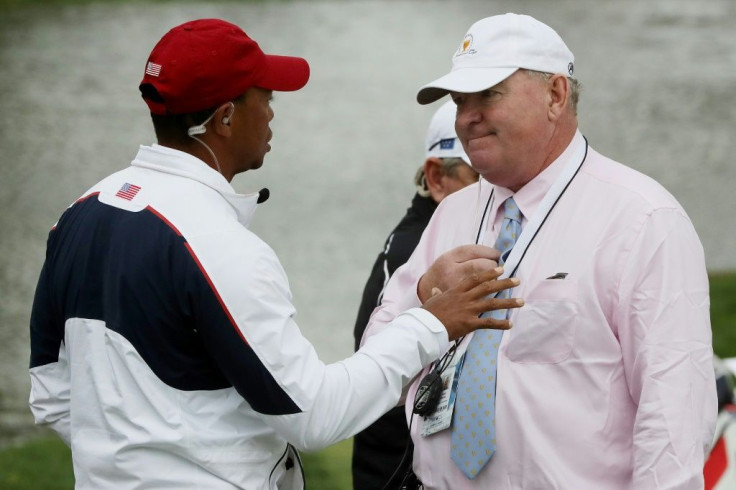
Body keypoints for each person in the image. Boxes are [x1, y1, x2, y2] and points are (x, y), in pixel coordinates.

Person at [27, 19, 523, 489]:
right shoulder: (218, 246)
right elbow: (314, 416)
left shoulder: (77, 215)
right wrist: (431, 322)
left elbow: (52, 395)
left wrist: (148, 455)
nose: (272, 113)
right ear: (224, 118)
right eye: (263, 98)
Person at [363, 13, 717, 489]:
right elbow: (375, 368)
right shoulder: (451, 214)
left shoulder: (643, 220)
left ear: (555, 94)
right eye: (460, 99)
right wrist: (426, 293)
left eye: (488, 94)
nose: (466, 116)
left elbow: (673, 420)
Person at [352, 100, 478, 489]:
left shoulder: (461, 236)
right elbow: (375, 376)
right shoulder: (413, 253)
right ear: (437, 178)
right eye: (480, 177)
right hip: (397, 472)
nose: (496, 191)